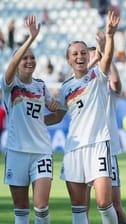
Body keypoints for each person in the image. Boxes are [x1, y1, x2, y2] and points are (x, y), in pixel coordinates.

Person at [44, 7, 120, 224]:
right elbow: (57, 116)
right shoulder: (66, 87)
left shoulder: (98, 75)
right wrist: (36, 122)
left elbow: (107, 60)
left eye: (83, 52)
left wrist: (110, 36)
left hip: (98, 145)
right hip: (74, 149)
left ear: (89, 56)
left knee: (105, 204)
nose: (80, 56)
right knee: (78, 209)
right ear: (69, 60)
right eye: (75, 54)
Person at [1, 15, 59, 224]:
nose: (29, 60)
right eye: (24, 58)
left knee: (41, 207)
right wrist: (30, 38)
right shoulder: (9, 85)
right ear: (17, 64)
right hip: (16, 152)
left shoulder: (41, 86)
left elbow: (55, 117)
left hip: (41, 151)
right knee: (21, 210)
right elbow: (12, 63)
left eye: (32, 57)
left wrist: (56, 109)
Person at [87, 32, 126, 224]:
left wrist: (105, 55)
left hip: (107, 150)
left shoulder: (107, 89)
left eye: (97, 59)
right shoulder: (77, 87)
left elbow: (117, 83)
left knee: (113, 203)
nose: (95, 62)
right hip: (84, 150)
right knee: (82, 205)